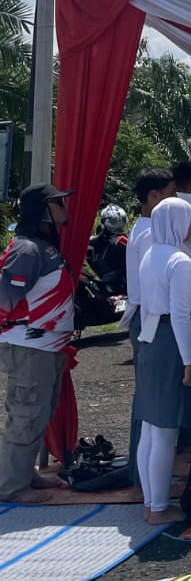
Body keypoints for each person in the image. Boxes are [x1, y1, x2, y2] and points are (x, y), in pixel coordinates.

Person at [0, 184, 76, 503]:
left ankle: (22, 474)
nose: (64, 207)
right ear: (43, 209)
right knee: (26, 413)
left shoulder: (42, 246)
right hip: (29, 346)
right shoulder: (27, 249)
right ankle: (10, 486)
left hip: (44, 347)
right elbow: (5, 298)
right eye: (58, 203)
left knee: (38, 412)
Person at [134, 197, 191, 524]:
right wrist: (189, 361)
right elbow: (179, 314)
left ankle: (152, 502)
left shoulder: (150, 254)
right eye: (188, 219)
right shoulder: (179, 260)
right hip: (170, 341)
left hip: (150, 338)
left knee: (150, 427)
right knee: (165, 430)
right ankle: (159, 507)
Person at [125, 167, 177, 478]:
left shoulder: (144, 228)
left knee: (150, 404)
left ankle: (145, 474)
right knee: (153, 408)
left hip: (148, 317)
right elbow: (155, 284)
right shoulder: (149, 233)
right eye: (172, 195)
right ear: (154, 197)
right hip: (152, 318)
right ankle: (142, 475)